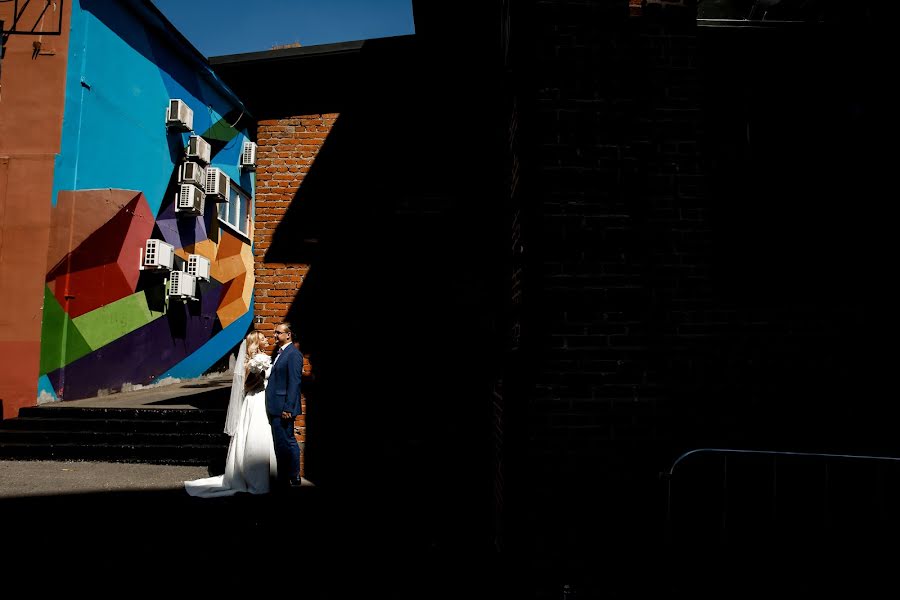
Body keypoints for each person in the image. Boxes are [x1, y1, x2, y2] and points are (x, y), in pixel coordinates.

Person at [184, 331, 277, 497]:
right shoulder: (250, 362)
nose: (266, 340)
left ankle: (269, 475)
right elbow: (247, 386)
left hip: (264, 399)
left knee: (264, 434)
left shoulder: (264, 357)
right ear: (255, 342)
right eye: (262, 339)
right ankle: (255, 478)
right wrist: (256, 371)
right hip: (254, 400)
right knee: (255, 434)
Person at [267, 321, 303, 489]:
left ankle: (293, 475)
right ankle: (286, 474)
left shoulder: (293, 354)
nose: (275, 335)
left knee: (287, 441)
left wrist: (288, 407)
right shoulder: (280, 353)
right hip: (276, 406)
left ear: (288, 335)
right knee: (281, 442)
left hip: (284, 407)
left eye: (278, 333)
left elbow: (294, 383)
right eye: (275, 332)